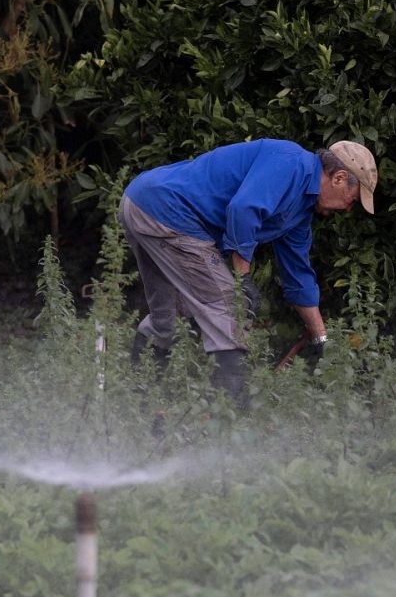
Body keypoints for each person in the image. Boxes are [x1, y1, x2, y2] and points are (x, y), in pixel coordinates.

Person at [117, 138, 378, 406]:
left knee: (168, 318)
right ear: (339, 178)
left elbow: (298, 276)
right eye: (353, 201)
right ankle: (229, 421)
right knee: (230, 308)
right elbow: (244, 209)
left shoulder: (300, 214)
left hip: (143, 204)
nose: (347, 209)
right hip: (169, 212)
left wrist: (321, 339)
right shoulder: (290, 162)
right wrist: (242, 278)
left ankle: (141, 410)